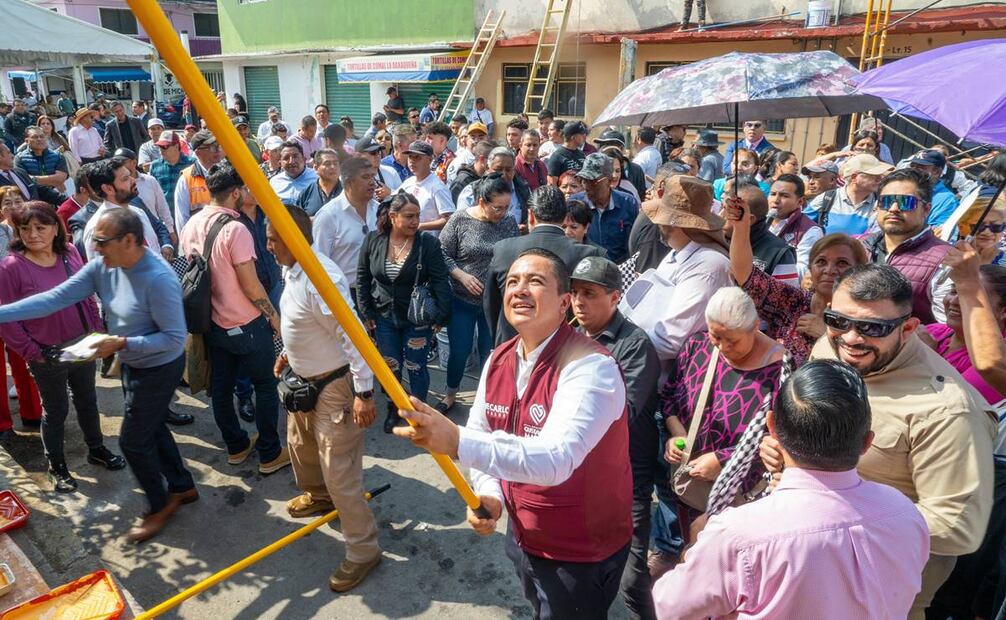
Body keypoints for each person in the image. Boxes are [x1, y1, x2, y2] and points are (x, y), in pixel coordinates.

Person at [394, 248, 633, 618]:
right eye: (512, 282)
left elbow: (556, 459)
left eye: (536, 282)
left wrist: (455, 441)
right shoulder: (500, 358)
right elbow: (483, 427)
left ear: (564, 303)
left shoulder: (591, 368)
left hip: (579, 552)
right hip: (523, 537)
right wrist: (490, 495)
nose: (519, 290)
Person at [760, 264, 996, 619]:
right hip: (801, 568)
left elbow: (957, 528)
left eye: (873, 327)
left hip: (878, 596)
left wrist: (834, 512)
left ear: (909, 328)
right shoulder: (831, 346)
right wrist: (788, 453)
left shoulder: (947, 410)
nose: (852, 338)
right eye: (837, 320)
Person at [656, 359, 930, 619]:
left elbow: (668, 607)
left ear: (772, 427)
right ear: (867, 442)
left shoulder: (739, 534)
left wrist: (692, 552)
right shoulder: (906, 513)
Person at [0, 208, 196, 541]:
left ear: (130, 241)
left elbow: (174, 338)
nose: (96, 249)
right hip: (132, 363)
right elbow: (54, 298)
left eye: (102, 242)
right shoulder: (104, 266)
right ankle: (182, 486)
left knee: (132, 441)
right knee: (151, 427)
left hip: (160, 367)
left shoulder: (159, 279)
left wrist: (120, 342)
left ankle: (160, 504)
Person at [261, 204, 383, 591]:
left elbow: (354, 338)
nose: (267, 246)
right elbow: (305, 322)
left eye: (273, 239)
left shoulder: (320, 278)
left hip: (335, 388)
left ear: (296, 238)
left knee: (341, 473)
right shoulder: (292, 267)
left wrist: (363, 393)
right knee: (301, 447)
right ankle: (318, 498)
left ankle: (363, 551)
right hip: (303, 378)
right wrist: (289, 354)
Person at [178, 162, 289, 476]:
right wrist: (274, 318)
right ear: (236, 192)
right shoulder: (235, 228)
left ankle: (237, 447)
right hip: (247, 324)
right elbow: (250, 284)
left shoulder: (192, 224)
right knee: (266, 386)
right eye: (247, 189)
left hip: (212, 324)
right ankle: (269, 453)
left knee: (222, 389)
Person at [0, 200, 118, 490]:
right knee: (55, 410)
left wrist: (97, 331)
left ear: (56, 228)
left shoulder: (69, 254)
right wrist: (33, 353)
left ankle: (97, 449)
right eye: (25, 228)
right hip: (46, 353)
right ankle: (57, 467)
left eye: (41, 227)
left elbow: (86, 295)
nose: (33, 234)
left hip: (82, 344)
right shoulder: (11, 267)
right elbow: (7, 319)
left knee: (88, 401)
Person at [569, 255, 661, 620]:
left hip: (627, 481)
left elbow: (623, 415)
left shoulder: (635, 345)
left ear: (615, 297)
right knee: (583, 578)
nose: (578, 301)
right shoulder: (572, 335)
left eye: (589, 293)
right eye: (575, 292)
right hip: (578, 477)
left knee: (632, 579)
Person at [661, 287, 784, 532]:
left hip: (741, 495)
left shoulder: (780, 370)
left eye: (733, 340)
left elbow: (778, 436)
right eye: (716, 336)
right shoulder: (697, 346)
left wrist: (722, 460)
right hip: (691, 484)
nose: (722, 347)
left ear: (756, 327)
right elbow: (669, 397)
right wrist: (677, 436)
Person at [926, 246, 1006, 619]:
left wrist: (969, 278)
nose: (956, 298)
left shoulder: (996, 357)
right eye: (952, 289)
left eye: (971, 296)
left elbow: (989, 364)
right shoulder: (934, 334)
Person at [729, 180, 869, 364]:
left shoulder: (862, 318)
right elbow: (745, 274)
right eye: (821, 262)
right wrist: (741, 227)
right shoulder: (792, 302)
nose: (830, 270)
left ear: (857, 269)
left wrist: (826, 335)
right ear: (811, 268)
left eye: (842, 263)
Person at [357, 193, 452, 432]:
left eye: (417, 216)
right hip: (384, 316)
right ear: (392, 216)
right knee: (391, 366)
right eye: (409, 216)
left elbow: (440, 279)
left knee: (416, 366)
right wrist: (366, 310)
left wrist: (442, 314)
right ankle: (394, 407)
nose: (415, 222)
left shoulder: (427, 243)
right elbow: (363, 277)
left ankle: (418, 412)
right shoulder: (373, 240)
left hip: (417, 318)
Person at [620, 175, 732, 374]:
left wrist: (618, 351)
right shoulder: (677, 252)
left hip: (669, 382)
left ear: (679, 225)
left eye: (664, 220)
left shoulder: (708, 266)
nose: (659, 226)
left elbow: (670, 339)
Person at [435, 175, 520, 413]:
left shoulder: (509, 222)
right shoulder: (460, 220)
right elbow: (440, 252)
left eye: (506, 207)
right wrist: (461, 275)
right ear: (482, 202)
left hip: (493, 301)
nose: (502, 213)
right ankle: (451, 394)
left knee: (490, 352)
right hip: (462, 299)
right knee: (459, 351)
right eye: (497, 208)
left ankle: (487, 399)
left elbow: (514, 253)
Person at [484, 185, 604, 345]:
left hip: (511, 343)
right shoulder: (587, 255)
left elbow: (491, 304)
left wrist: (498, 338)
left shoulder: (504, 249)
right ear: (564, 218)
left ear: (531, 215)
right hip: (563, 348)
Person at [862, 168, 952, 324]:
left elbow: (947, 330)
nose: (894, 209)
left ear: (926, 209)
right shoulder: (860, 246)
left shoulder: (945, 260)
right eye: (886, 201)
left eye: (906, 202)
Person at [311, 157, 379, 301]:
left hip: (377, 295)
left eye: (373, 176)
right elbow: (319, 264)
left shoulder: (378, 210)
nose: (372, 182)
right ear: (349, 182)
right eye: (365, 177)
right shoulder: (328, 216)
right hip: (344, 296)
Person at [81, 157, 162, 261]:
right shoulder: (97, 229)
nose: (133, 181)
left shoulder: (139, 213)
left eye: (130, 176)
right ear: (108, 189)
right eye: (125, 179)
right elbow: (103, 274)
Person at [570, 153, 639, 263]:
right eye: (583, 180)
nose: (587, 186)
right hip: (585, 271)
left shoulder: (628, 203)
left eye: (593, 181)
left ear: (610, 181)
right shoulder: (575, 203)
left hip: (619, 272)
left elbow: (636, 243)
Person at [726, 181, 798, 286]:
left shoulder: (780, 254)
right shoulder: (714, 240)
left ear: (749, 219)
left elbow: (788, 298)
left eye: (728, 211)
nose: (720, 215)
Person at [803, 154, 892, 236]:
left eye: (880, 175)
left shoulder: (881, 204)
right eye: (874, 175)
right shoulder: (827, 198)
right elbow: (800, 227)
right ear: (854, 178)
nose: (879, 179)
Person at [627, 161, 690, 274]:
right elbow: (648, 277)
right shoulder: (655, 224)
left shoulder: (660, 216)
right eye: (683, 187)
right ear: (662, 189)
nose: (688, 194)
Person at [457, 147, 530, 228]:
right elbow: (461, 223)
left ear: (514, 170)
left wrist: (525, 228)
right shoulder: (472, 191)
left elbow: (530, 219)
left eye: (508, 170)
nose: (503, 174)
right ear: (488, 168)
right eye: (498, 169)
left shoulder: (523, 190)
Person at [766, 174, 823, 279]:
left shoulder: (811, 230)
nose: (776, 200)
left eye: (784, 196)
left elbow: (803, 271)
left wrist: (765, 270)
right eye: (773, 194)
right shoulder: (758, 221)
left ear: (800, 202)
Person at [400, 141, 455, 234]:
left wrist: (420, 226)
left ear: (430, 159)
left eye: (417, 157)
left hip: (428, 244)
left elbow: (449, 219)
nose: (412, 161)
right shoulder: (408, 182)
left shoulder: (437, 187)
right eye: (410, 156)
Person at [173, 130, 222, 231]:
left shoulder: (227, 172)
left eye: (218, 145)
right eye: (212, 147)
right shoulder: (186, 179)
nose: (217, 150)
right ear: (198, 152)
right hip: (200, 240)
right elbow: (182, 219)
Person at [0, 142, 64, 207]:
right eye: (8, 153)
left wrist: (68, 201)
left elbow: (41, 191)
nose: (12, 156)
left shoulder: (20, 172)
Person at [908, 149, 960, 229]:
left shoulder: (947, 199)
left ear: (937, 172)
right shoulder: (905, 190)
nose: (913, 171)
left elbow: (936, 235)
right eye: (912, 166)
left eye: (920, 168)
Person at [149, 131, 195, 213]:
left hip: (189, 214)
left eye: (165, 146)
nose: (161, 150)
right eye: (159, 146)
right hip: (166, 217)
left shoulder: (192, 164)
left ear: (176, 146)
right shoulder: (155, 166)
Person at [15, 127, 69, 193]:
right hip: (35, 198)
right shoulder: (20, 158)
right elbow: (22, 180)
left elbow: (60, 179)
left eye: (42, 136)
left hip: (57, 197)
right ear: (27, 141)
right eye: (35, 137)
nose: (39, 139)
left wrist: (32, 179)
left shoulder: (57, 156)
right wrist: (53, 181)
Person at [294, 148, 342, 216]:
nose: (333, 167)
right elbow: (299, 220)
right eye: (327, 164)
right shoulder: (307, 193)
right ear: (316, 168)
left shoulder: (348, 191)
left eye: (335, 163)